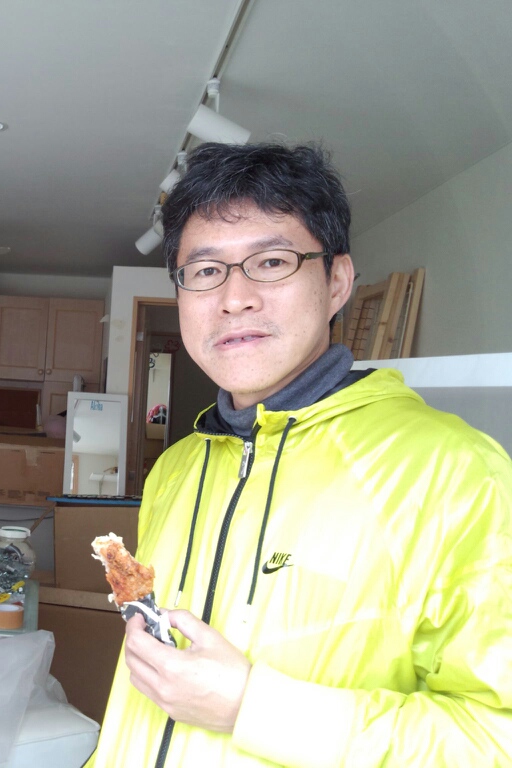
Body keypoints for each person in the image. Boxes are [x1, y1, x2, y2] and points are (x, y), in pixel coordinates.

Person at [88, 142, 512, 766]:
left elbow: (495, 737)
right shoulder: (177, 466)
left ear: (337, 282)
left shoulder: (453, 473)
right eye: (204, 271)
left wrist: (251, 707)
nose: (234, 298)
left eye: (271, 262)